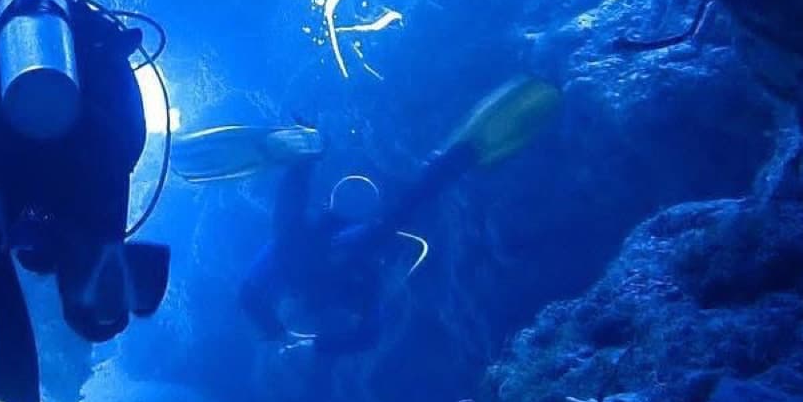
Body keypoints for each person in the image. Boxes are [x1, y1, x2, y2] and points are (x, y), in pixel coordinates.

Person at [0, 0, 171, 402]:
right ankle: (95, 253)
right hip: (91, 156)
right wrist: (101, 228)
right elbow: (126, 139)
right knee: (98, 314)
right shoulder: (97, 48)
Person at [175, 77, 561, 356]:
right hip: (334, 251)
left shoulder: (334, 274)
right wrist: (296, 340)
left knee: (332, 232)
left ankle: (312, 154)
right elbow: (365, 332)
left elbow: (254, 292)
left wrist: (288, 337)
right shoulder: (355, 277)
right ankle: (313, 155)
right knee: (364, 228)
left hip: (325, 252)